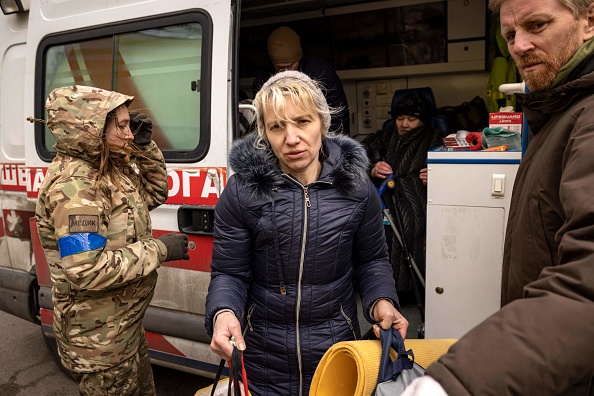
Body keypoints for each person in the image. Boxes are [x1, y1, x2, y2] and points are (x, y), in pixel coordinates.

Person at [402, 0, 594, 394]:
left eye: (537, 25)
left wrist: (455, 383)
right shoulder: (556, 116)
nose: (519, 46)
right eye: (509, 34)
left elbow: (585, 284)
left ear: (589, 20)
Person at [205, 70, 408, 395]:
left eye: (302, 121)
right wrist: (224, 313)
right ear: (264, 133)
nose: (292, 138)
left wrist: (381, 301)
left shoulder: (357, 188)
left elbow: (372, 260)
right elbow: (229, 271)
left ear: (323, 123)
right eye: (277, 126)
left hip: (337, 352)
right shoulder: (242, 191)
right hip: (262, 357)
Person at [35, 85, 190, 396]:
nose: (129, 134)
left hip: (123, 329)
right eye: (121, 126)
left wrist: (145, 148)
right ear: (91, 130)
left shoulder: (106, 170)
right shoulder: (76, 188)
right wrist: (159, 250)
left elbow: (154, 193)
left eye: (128, 125)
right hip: (101, 344)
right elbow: (86, 269)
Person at [364, 93, 446, 294]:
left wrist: (438, 175)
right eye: (400, 119)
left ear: (422, 120)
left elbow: (450, 170)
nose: (405, 124)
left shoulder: (435, 138)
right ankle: (380, 290)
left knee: (413, 225)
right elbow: (356, 158)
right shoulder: (383, 136)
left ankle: (410, 290)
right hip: (383, 196)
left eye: (412, 119)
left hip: (415, 196)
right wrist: (372, 168)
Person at [252, 26, 351, 136]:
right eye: (280, 67)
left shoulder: (322, 73)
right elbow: (262, 123)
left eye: (290, 66)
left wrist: (334, 149)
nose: (285, 71)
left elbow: (339, 119)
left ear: (299, 58)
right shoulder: (262, 81)